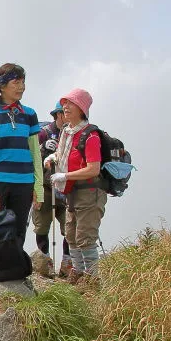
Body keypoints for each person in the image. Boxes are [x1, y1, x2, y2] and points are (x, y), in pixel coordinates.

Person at [0, 64, 43, 246]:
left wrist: (38, 186)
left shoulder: (30, 114)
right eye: (16, 82)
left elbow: (35, 153)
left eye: (23, 82)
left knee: (18, 231)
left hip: (24, 183)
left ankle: (12, 273)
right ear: (2, 85)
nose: (21, 86)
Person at [47, 88, 106, 283]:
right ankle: (79, 273)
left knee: (85, 237)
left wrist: (65, 175)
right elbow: (63, 155)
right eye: (64, 103)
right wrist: (52, 157)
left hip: (89, 193)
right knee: (71, 234)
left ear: (81, 108)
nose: (65, 106)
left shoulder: (91, 136)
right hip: (72, 192)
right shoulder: (67, 132)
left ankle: (92, 278)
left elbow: (93, 169)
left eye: (70, 103)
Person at [32, 102, 70, 276]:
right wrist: (42, 149)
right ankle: (44, 261)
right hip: (45, 188)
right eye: (64, 112)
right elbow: (30, 158)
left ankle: (67, 262)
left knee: (69, 227)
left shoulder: (72, 134)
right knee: (42, 227)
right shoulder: (43, 133)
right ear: (58, 114)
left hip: (67, 188)